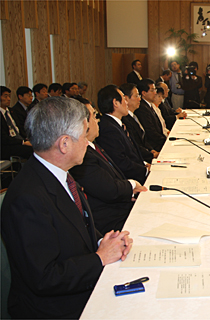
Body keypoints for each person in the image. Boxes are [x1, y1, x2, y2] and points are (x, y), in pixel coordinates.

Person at [1, 96, 132, 318]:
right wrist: (99, 258)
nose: (86, 144)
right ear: (64, 144)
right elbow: (44, 277)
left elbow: (76, 225)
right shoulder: (27, 198)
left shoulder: (56, 174)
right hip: (55, 308)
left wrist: (104, 241)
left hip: (77, 285)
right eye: (82, 137)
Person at [70, 97, 147, 234]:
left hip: (120, 205)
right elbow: (108, 189)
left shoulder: (93, 146)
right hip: (110, 220)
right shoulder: (82, 156)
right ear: (83, 125)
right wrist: (131, 186)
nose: (97, 120)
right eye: (94, 116)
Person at [95, 85, 149, 184]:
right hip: (132, 181)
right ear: (115, 103)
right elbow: (121, 162)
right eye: (124, 99)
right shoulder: (108, 129)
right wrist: (145, 171)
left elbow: (132, 152)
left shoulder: (116, 124)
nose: (127, 102)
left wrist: (145, 165)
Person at [119, 83, 159, 163]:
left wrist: (151, 150)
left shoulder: (134, 116)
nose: (139, 99)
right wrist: (151, 154)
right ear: (126, 99)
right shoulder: (125, 120)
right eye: (136, 96)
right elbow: (135, 144)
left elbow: (143, 137)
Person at [0, 86, 32, 160]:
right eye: (5, 96)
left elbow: (20, 128)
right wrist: (22, 142)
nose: (9, 99)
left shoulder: (12, 111)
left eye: (9, 96)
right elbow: (3, 138)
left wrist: (27, 139)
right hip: (7, 146)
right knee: (33, 151)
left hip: (19, 140)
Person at [134, 79, 167, 151]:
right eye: (152, 90)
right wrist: (166, 140)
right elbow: (150, 132)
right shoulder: (142, 108)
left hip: (159, 141)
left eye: (155, 90)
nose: (155, 93)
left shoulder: (148, 105)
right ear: (144, 93)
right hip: (154, 146)